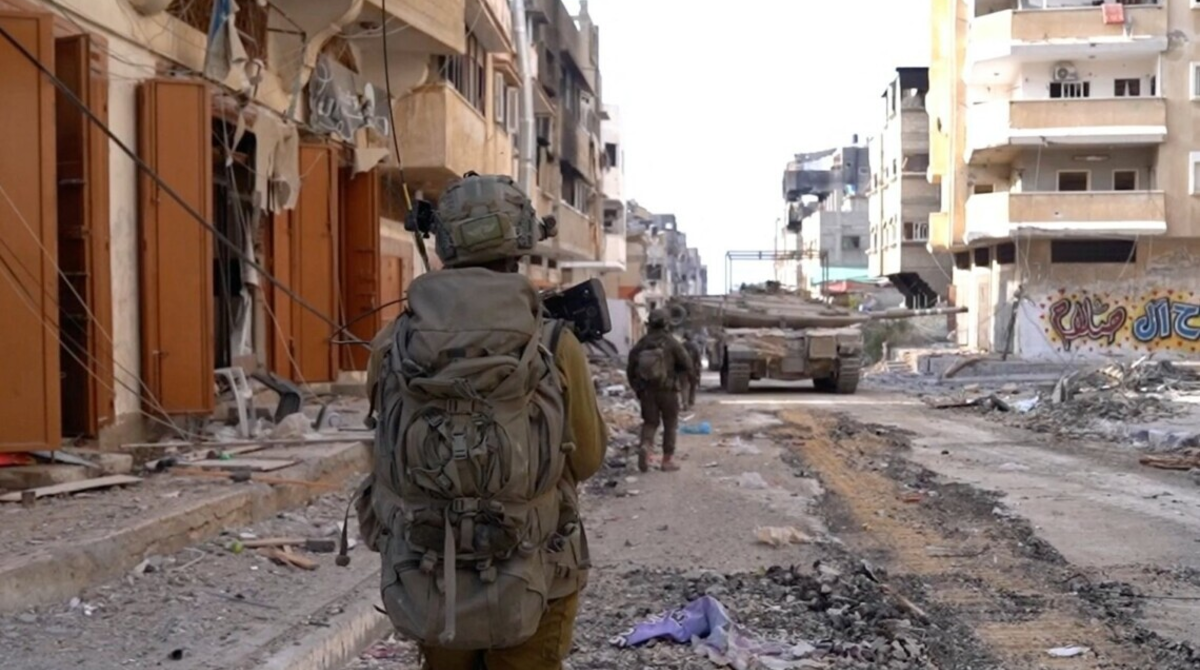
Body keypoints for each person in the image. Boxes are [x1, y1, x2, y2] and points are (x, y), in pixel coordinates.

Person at [353, 173, 607, 670]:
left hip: (430, 575)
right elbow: (588, 458)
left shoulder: (395, 342)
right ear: (522, 243)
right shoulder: (554, 343)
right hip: (536, 567)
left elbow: (384, 448)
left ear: (443, 243)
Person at [627, 310, 696, 473]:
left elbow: (630, 370)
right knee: (670, 424)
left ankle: (646, 446)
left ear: (649, 324)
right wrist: (682, 380)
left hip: (647, 393)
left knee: (650, 422)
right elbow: (687, 364)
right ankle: (667, 461)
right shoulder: (671, 343)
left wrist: (638, 389)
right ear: (666, 324)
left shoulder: (641, 344)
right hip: (668, 391)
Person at [681, 332, 704, 411]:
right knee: (693, 386)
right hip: (693, 369)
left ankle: (685, 403)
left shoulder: (681, 346)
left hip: (683, 369)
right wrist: (699, 367)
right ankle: (691, 401)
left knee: (684, 386)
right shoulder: (695, 346)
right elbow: (698, 358)